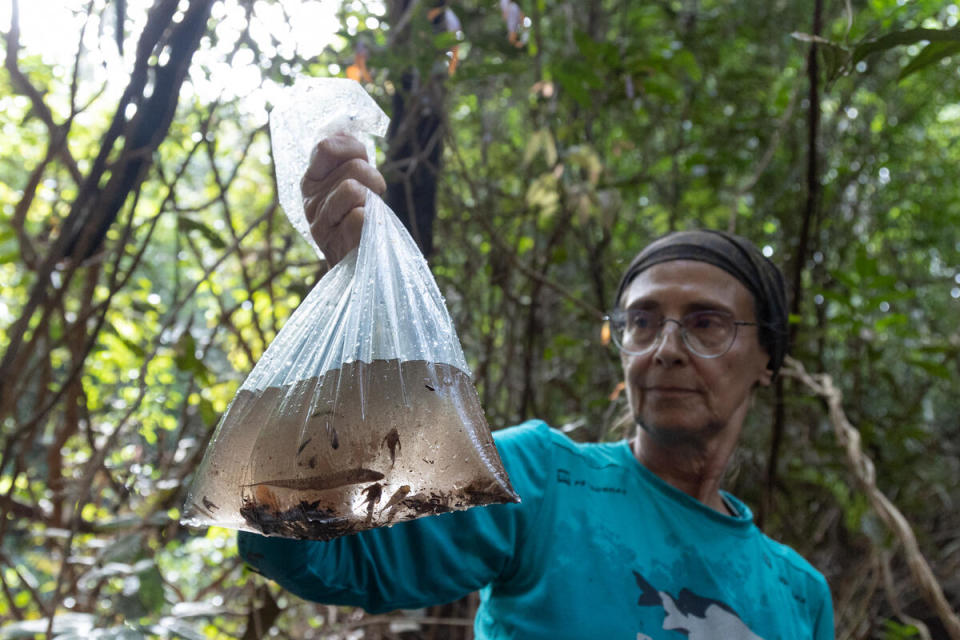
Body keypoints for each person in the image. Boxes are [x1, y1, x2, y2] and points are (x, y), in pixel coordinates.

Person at [238, 134, 834, 639]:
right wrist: (348, 292)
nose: (665, 349)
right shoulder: (541, 478)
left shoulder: (798, 593)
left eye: (707, 324)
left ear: (768, 359)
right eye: (642, 322)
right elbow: (312, 548)